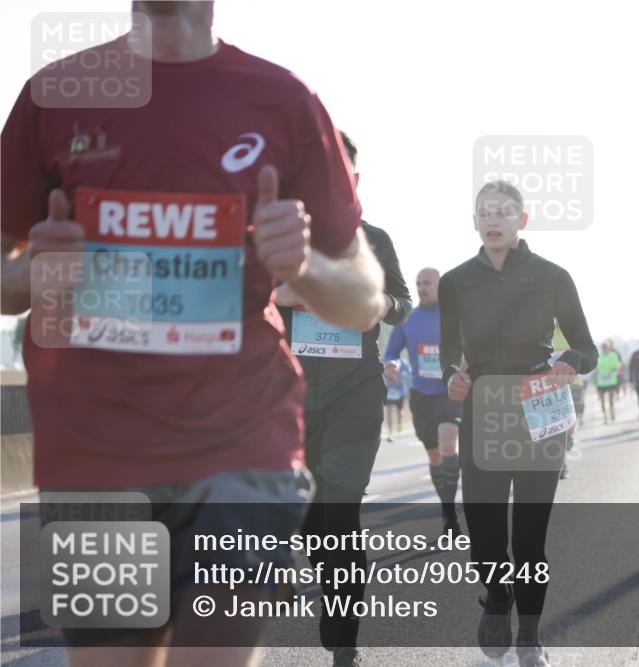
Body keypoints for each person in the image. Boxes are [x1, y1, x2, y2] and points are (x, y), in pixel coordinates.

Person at [0, 3, 384, 666]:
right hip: (96, 455)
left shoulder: (283, 100)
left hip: (243, 444)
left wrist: (304, 264)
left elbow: (363, 299)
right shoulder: (53, 96)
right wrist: (38, 268)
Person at [440, 180, 597, 667]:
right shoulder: (455, 281)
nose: (494, 219)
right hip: (483, 409)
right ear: (474, 222)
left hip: (538, 408)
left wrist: (569, 359)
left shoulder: (553, 276)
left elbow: (587, 349)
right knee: (485, 534)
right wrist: (452, 377)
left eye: (504, 211)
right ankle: (497, 594)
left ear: (522, 220)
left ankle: (530, 638)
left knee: (529, 539)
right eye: (485, 211)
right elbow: (449, 352)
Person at [276, 131, 412, 667]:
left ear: (353, 177)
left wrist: (379, 303)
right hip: (289, 397)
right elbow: (235, 295)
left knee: (342, 509)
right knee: (316, 519)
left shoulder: (374, 239)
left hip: (355, 392)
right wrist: (276, 292)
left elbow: (401, 301)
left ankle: (343, 645)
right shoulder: (280, 239)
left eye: (342, 169)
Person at [384, 267, 464, 534]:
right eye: (418, 283)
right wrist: (391, 365)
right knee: (434, 455)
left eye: (427, 283)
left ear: (440, 285)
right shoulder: (409, 319)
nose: (421, 288)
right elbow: (392, 352)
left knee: (447, 441)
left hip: (448, 390)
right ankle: (446, 507)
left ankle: (451, 510)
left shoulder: (453, 317)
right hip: (420, 395)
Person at [551, 319, 584, 479]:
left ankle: (570, 437)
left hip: (574, 383)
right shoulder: (544, 332)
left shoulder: (571, 332)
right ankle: (561, 464)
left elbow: (583, 352)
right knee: (557, 426)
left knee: (571, 423)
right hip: (552, 386)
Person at [595, 340, 621, 423]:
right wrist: (597, 372)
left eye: (606, 347)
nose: (604, 349)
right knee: (602, 400)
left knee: (610, 399)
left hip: (611, 381)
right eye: (603, 348)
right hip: (601, 382)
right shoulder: (598, 357)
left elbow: (617, 365)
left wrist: (612, 370)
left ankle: (612, 411)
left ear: (608, 348)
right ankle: (605, 416)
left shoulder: (613, 355)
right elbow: (595, 368)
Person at [384, 357, 409, 441]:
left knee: (399, 411)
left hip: (399, 392)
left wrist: (400, 378)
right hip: (388, 392)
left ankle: (399, 423)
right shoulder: (386, 361)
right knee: (389, 412)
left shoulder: (403, 362)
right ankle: (390, 432)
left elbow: (408, 374)